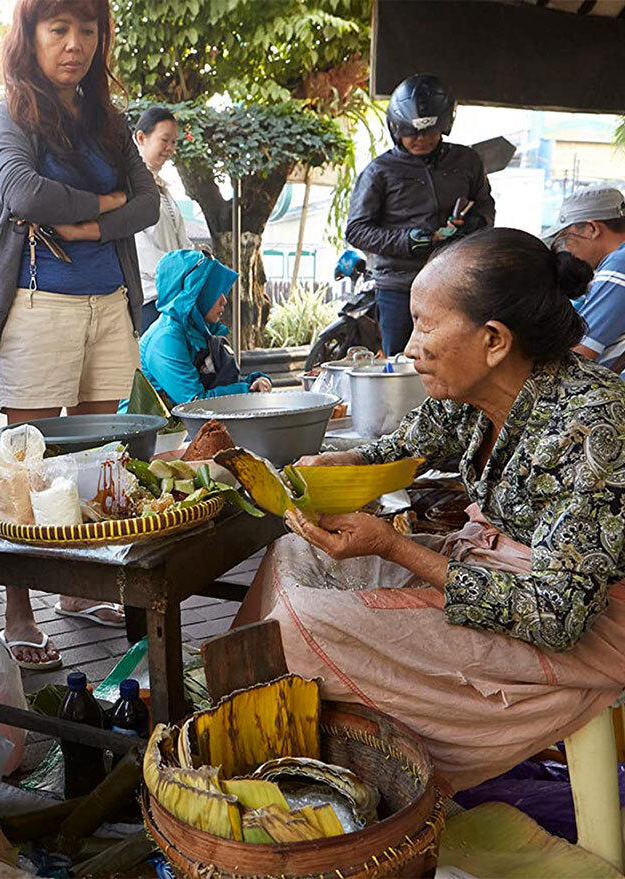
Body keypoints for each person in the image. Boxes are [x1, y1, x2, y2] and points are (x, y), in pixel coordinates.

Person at [237, 228, 625, 792]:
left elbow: (557, 615)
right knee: (296, 553)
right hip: (493, 572)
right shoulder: (476, 394)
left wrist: (393, 546)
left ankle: (309, 777)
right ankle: (250, 733)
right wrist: (346, 465)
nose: (408, 348)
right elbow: (400, 446)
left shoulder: (595, 424)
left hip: (582, 625)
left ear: (493, 339)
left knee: (302, 626)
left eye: (424, 324)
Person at [0, 0, 159, 668]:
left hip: (109, 303)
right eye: (58, 28)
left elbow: (149, 202)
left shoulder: (111, 124)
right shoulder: (12, 114)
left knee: (95, 457)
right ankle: (19, 612)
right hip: (37, 304)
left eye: (88, 29)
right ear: (29, 35)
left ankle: (79, 592)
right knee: (24, 463)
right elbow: (23, 194)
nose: (74, 43)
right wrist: (108, 204)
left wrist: (88, 224)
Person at [345, 73, 495, 356]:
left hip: (455, 282)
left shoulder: (468, 161)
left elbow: (485, 206)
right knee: (403, 363)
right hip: (399, 287)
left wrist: (477, 224)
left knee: (456, 358)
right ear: (396, 128)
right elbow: (356, 230)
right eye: (411, 132)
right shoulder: (380, 171)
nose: (420, 139)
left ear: (444, 125)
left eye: (428, 131)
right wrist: (407, 241)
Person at [138, 248, 272, 407]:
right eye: (215, 291)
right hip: (154, 429)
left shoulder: (200, 331)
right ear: (194, 293)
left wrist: (255, 381)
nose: (224, 300)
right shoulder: (166, 339)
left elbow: (223, 384)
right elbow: (194, 404)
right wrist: (247, 391)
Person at [544, 186, 625, 370]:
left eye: (565, 238)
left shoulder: (619, 265)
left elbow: (579, 356)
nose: (567, 249)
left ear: (591, 228)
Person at [132, 107, 191, 331]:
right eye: (165, 140)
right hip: (149, 299)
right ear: (141, 138)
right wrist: (180, 273)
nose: (170, 149)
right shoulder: (131, 185)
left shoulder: (162, 188)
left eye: (174, 142)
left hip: (171, 298)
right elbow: (138, 247)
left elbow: (180, 241)